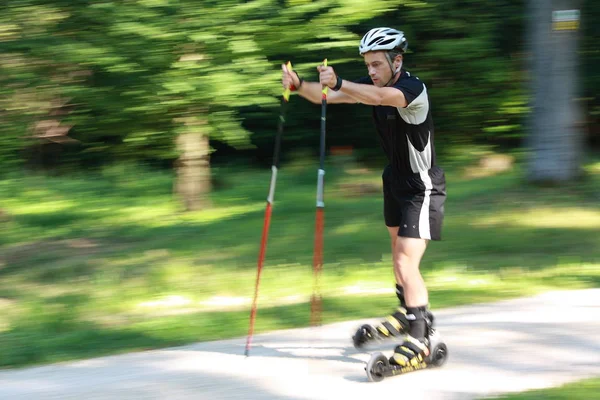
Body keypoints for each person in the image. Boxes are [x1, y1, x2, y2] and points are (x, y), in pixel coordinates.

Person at [281, 27, 447, 369]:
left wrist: (340, 83)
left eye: (376, 64)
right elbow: (324, 96)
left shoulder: (412, 89)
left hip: (422, 185)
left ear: (396, 60)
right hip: (394, 180)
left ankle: (420, 340)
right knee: (396, 256)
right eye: (367, 65)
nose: (371, 72)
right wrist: (299, 85)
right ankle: (408, 313)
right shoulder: (371, 85)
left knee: (406, 261)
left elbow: (381, 98)